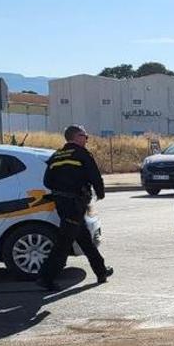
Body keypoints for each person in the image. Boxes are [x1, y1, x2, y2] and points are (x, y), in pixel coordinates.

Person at [37, 125, 112, 291]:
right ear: (77, 137)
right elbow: (94, 176)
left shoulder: (56, 155)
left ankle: (101, 271)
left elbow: (47, 182)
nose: (86, 139)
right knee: (64, 242)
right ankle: (46, 277)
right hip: (75, 203)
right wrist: (100, 193)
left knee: (84, 238)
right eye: (85, 136)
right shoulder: (81, 154)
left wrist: (61, 189)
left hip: (63, 204)